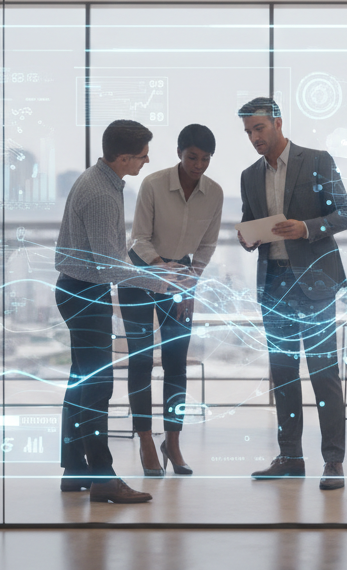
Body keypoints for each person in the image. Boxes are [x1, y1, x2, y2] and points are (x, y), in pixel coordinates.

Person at [54, 119, 192, 504]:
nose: (148, 161)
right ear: (125, 157)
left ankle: (76, 470)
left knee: (81, 384)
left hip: (79, 291)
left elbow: (110, 260)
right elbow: (110, 267)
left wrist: (154, 271)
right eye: (143, 154)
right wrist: (161, 281)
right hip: (86, 294)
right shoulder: (100, 194)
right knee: (97, 389)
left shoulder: (101, 182)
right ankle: (103, 478)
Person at [237, 96, 347, 490]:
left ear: (278, 123)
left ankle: (333, 462)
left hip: (316, 285)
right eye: (249, 132)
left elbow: (344, 214)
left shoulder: (317, 160)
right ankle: (290, 457)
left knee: (324, 375)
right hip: (275, 285)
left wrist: (306, 227)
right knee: (284, 377)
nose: (255, 137)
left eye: (260, 129)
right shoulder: (249, 176)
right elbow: (247, 222)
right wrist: (246, 238)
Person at [119, 124, 224, 477]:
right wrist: (162, 268)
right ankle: (146, 438)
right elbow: (139, 239)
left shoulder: (215, 194)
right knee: (141, 361)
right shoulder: (153, 184)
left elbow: (207, 245)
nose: (199, 165)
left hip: (180, 277)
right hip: (140, 274)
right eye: (193, 157)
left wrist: (190, 279)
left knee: (177, 362)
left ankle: (173, 441)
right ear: (180, 152)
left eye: (205, 159)